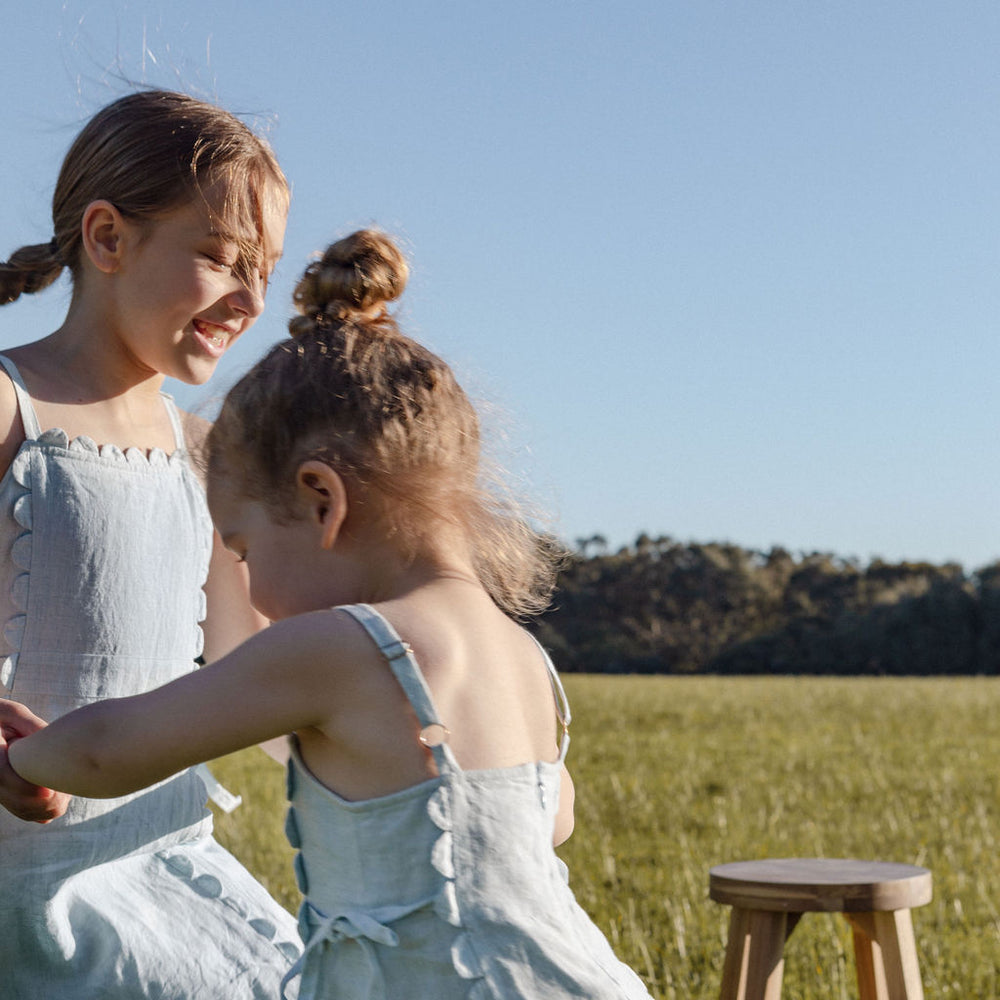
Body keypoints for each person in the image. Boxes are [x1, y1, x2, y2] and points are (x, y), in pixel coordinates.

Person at [2, 228, 655, 1000]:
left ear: (322, 502)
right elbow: (553, 819)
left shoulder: (335, 647)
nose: (250, 589)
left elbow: (108, 751)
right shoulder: (519, 655)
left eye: (244, 551)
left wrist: (23, 761)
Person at [0, 90, 302, 997]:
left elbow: (252, 667)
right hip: (32, 885)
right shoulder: (13, 406)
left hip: (167, 862)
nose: (251, 299)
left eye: (268, 270)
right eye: (219, 258)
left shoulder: (207, 454)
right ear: (107, 238)